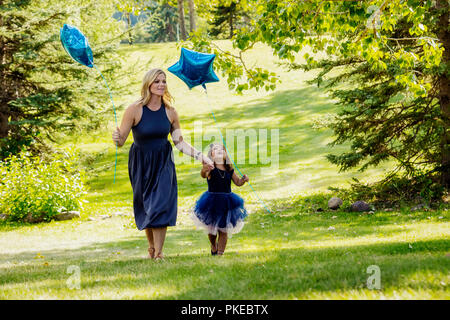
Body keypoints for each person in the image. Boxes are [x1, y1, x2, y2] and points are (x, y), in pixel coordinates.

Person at [112, 68, 214, 260]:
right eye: (156, 81)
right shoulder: (134, 110)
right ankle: (151, 248)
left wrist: (201, 156)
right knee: (146, 207)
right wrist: (116, 137)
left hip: (163, 163)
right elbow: (121, 141)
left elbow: (180, 142)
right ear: (148, 85)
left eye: (164, 81)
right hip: (140, 163)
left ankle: (159, 253)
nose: (161, 85)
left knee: (160, 204)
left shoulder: (170, 112)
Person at [191, 143, 249, 256]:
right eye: (215, 149)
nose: (219, 150)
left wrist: (243, 180)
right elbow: (203, 175)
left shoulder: (229, 170)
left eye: (221, 149)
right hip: (212, 202)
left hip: (227, 202)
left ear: (225, 155)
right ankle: (213, 245)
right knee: (212, 230)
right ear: (211, 155)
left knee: (223, 230)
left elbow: (237, 182)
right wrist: (204, 169)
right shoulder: (210, 169)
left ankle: (220, 255)